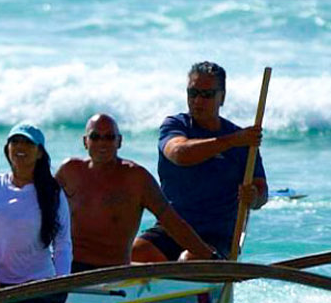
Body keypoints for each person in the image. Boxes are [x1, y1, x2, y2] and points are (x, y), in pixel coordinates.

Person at [132, 62, 268, 263]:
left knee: (189, 260)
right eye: (192, 93)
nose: (197, 101)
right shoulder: (175, 125)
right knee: (132, 254)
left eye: (206, 95)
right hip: (173, 229)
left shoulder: (244, 142)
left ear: (222, 97)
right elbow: (179, 154)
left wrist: (254, 196)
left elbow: (262, 192)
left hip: (216, 237)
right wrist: (231, 141)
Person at [56, 113, 215, 272]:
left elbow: (172, 222)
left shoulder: (137, 179)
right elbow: (37, 204)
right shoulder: (69, 171)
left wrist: (210, 257)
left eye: (109, 137)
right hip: (69, 269)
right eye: (95, 137)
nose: (102, 143)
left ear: (119, 142)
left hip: (110, 273)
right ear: (85, 141)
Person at [0, 124, 72, 303]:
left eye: (28, 143)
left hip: (36, 286)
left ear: (39, 153)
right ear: (7, 149)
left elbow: (63, 244)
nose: (20, 147)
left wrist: (61, 284)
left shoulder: (53, 192)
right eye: (15, 142)